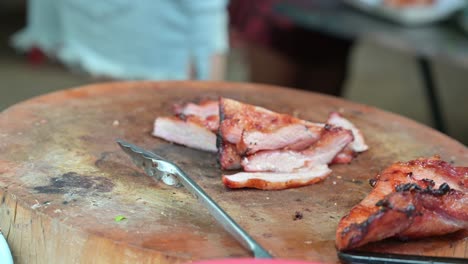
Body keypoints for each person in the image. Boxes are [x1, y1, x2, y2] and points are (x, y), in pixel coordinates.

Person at [12, 0, 229, 80]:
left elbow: (206, 9)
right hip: (91, 36)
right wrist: (50, 29)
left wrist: (209, 87)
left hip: (160, 52)